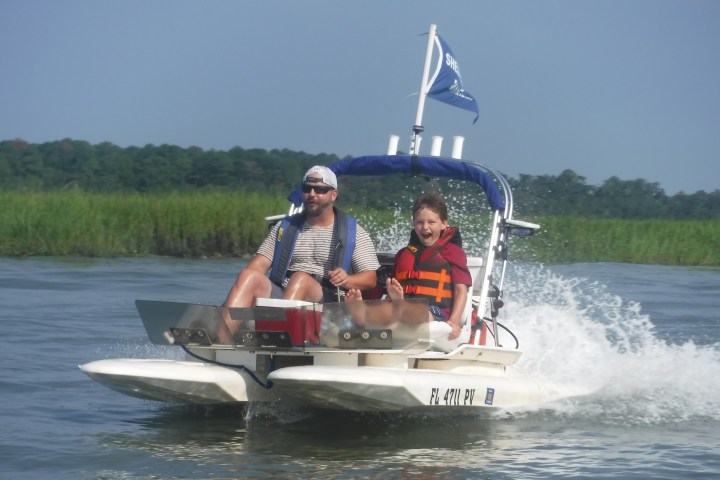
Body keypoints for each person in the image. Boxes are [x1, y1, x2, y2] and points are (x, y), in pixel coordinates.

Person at [223, 165, 380, 310]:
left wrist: (347, 280)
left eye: (319, 190)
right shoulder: (284, 227)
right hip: (283, 293)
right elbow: (256, 267)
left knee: (300, 279)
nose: (312, 194)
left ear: (333, 195)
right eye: (307, 189)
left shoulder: (354, 232)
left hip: (327, 302)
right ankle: (221, 335)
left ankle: (279, 332)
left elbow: (370, 279)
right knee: (248, 276)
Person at [347, 191, 472, 341]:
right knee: (386, 308)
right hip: (402, 307)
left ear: (444, 223)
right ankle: (363, 315)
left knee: (415, 310)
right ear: (413, 223)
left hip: (436, 312)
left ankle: (400, 305)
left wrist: (454, 321)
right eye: (419, 222)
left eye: (431, 222)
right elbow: (394, 287)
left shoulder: (452, 252)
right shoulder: (403, 254)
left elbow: (461, 291)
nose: (425, 227)